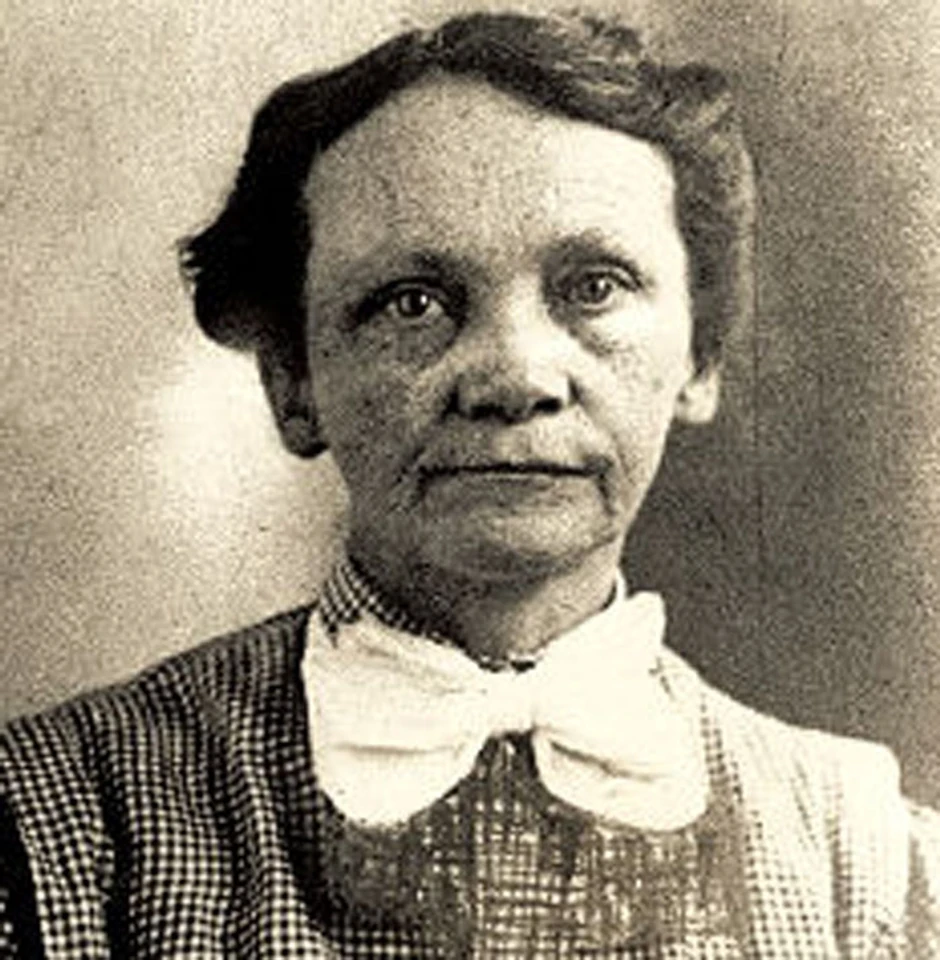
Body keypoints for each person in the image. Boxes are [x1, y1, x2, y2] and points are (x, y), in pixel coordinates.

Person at [1, 10, 938, 958]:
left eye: (593, 287)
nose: (515, 377)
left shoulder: (866, 865)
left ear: (698, 358)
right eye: (412, 303)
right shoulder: (60, 826)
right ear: (294, 383)